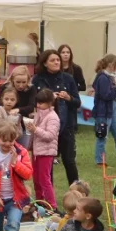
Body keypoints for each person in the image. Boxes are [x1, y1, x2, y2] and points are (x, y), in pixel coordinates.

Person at [33, 49, 80, 185]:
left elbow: (77, 102)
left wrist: (68, 97)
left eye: (58, 60)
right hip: (45, 127)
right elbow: (33, 102)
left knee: (69, 160)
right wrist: (48, 99)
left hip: (66, 126)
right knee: (47, 163)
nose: (56, 62)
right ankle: (49, 194)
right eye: (52, 60)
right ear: (45, 63)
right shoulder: (37, 79)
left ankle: (76, 190)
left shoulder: (68, 78)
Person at [30, 88, 61, 208]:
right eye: (37, 102)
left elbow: (50, 136)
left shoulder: (53, 117)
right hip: (37, 151)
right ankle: (40, 203)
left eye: (41, 103)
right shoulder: (39, 114)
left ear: (49, 103)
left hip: (46, 153)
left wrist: (35, 130)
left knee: (44, 180)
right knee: (36, 180)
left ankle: (52, 205)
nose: (38, 105)